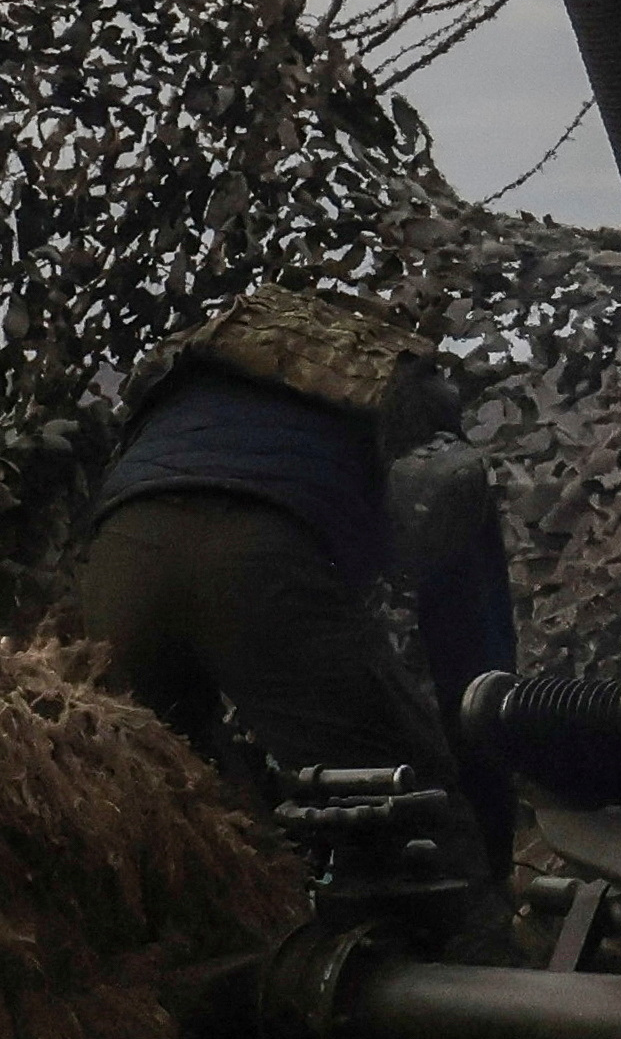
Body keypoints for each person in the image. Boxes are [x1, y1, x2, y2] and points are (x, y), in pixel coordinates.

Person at [78, 285, 520, 873]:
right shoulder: (412, 389)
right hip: (259, 558)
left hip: (121, 554)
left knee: (177, 813)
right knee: (405, 807)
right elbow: (472, 660)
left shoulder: (202, 360)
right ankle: (480, 960)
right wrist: (489, 843)